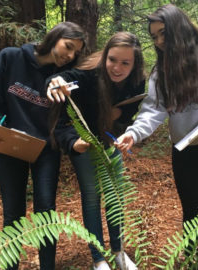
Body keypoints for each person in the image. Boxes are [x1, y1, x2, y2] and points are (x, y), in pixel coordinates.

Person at [114, 4, 198, 270]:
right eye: (154, 37)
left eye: (164, 34)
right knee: (192, 209)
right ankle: (194, 261)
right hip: (183, 148)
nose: (159, 42)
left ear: (179, 29)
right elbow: (152, 111)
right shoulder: (160, 72)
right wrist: (132, 133)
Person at [0, 22, 86, 270]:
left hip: (46, 151)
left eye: (75, 52)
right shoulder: (10, 58)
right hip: (10, 144)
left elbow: (65, 120)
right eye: (68, 46)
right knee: (12, 214)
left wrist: (73, 141)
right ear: (55, 37)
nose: (69, 55)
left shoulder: (63, 80)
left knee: (46, 214)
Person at [47, 32, 145, 270]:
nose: (117, 68)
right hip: (84, 145)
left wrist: (120, 121)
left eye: (125, 63)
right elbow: (63, 79)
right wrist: (56, 82)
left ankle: (119, 251)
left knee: (116, 197)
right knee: (92, 198)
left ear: (135, 64)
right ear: (105, 57)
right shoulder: (89, 76)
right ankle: (99, 258)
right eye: (112, 60)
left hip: (110, 144)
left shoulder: (137, 82)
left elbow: (129, 114)